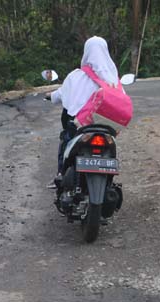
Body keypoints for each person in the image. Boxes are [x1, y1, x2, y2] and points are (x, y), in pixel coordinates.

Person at [46, 36, 120, 188]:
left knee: (66, 139)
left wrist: (50, 96)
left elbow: (60, 94)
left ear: (86, 52)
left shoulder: (76, 76)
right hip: (105, 128)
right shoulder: (113, 78)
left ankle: (61, 173)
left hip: (79, 126)